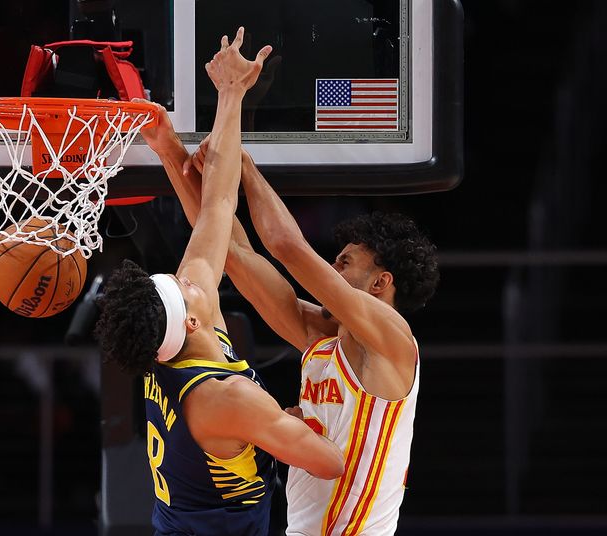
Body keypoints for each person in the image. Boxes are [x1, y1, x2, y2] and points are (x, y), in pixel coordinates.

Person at [93, 28, 344, 536]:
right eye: (185, 287)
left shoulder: (176, 335)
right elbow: (330, 463)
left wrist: (197, 123)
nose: (193, 277)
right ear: (191, 318)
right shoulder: (225, 399)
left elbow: (217, 206)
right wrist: (286, 424)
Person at [144, 127, 439, 533]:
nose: (332, 271)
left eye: (345, 262)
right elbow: (230, 252)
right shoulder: (320, 339)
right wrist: (169, 150)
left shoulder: (394, 341)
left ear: (380, 283)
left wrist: (243, 165)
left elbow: (287, 245)